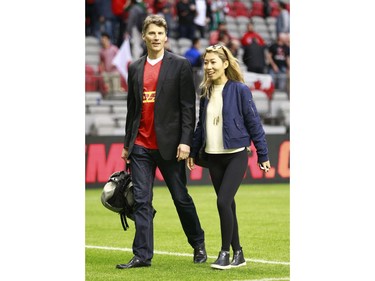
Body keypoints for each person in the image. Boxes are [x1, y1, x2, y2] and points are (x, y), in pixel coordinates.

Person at [118, 14, 207, 269]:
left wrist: (186, 141)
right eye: (152, 33)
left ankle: (198, 242)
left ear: (166, 37)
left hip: (170, 146)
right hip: (141, 147)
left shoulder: (179, 65)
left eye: (160, 33)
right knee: (142, 201)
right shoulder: (135, 67)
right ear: (144, 36)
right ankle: (142, 256)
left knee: (180, 198)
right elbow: (132, 109)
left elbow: (188, 108)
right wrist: (127, 144)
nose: (156, 38)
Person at [187, 44, 271, 270]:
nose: (208, 67)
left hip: (236, 155)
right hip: (213, 157)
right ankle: (239, 253)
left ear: (225, 64)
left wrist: (262, 153)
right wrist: (194, 152)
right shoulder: (204, 92)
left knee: (222, 201)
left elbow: (254, 122)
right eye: (206, 62)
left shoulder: (240, 90)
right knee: (229, 206)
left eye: (213, 62)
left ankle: (225, 252)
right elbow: (199, 126)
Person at [99, 32, 122, 96]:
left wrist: (115, 63)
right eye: (102, 40)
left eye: (105, 39)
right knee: (108, 92)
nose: (103, 41)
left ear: (108, 40)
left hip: (115, 72)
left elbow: (120, 57)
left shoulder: (114, 49)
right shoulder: (101, 51)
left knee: (116, 91)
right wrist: (102, 71)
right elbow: (101, 61)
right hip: (107, 73)